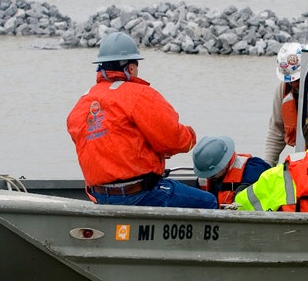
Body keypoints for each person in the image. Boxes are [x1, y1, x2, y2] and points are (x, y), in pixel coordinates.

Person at [66, 32, 218, 209]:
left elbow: (105, 142)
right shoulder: (139, 94)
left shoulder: (82, 103)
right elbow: (174, 139)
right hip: (139, 194)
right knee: (209, 202)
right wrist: (190, 137)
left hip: (100, 196)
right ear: (131, 68)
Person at [192, 135, 272, 207]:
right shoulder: (203, 177)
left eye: (213, 174)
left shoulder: (254, 170)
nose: (209, 177)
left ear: (225, 163)